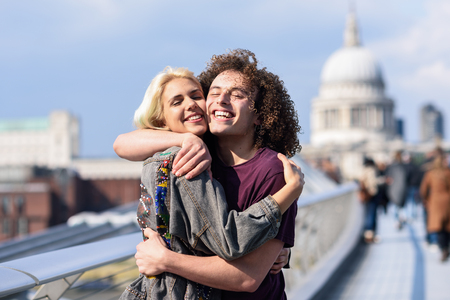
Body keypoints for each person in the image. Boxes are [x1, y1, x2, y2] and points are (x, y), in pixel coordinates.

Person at [114, 49, 301, 299]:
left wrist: (166, 261)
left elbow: (247, 277)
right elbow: (122, 144)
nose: (222, 99)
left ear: (259, 115)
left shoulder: (274, 171)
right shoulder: (195, 154)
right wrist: (186, 138)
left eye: (237, 95)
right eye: (214, 93)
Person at [420, 154, 450, 262]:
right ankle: (447, 246)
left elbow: (423, 189)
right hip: (447, 201)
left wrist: (426, 200)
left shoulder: (430, 174)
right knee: (447, 226)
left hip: (435, 201)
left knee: (439, 227)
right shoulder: (448, 173)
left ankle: (443, 249)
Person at [359, 157, 381, 243]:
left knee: (368, 213)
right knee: (372, 214)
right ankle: (370, 234)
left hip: (366, 195)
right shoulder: (372, 170)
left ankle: (367, 234)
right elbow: (373, 182)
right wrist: (383, 180)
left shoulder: (363, 170)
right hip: (371, 194)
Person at [386, 150, 408, 230]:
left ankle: (396, 220)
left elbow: (388, 178)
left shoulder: (392, 167)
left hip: (394, 189)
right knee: (401, 205)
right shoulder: (404, 167)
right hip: (402, 188)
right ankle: (402, 218)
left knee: (395, 205)